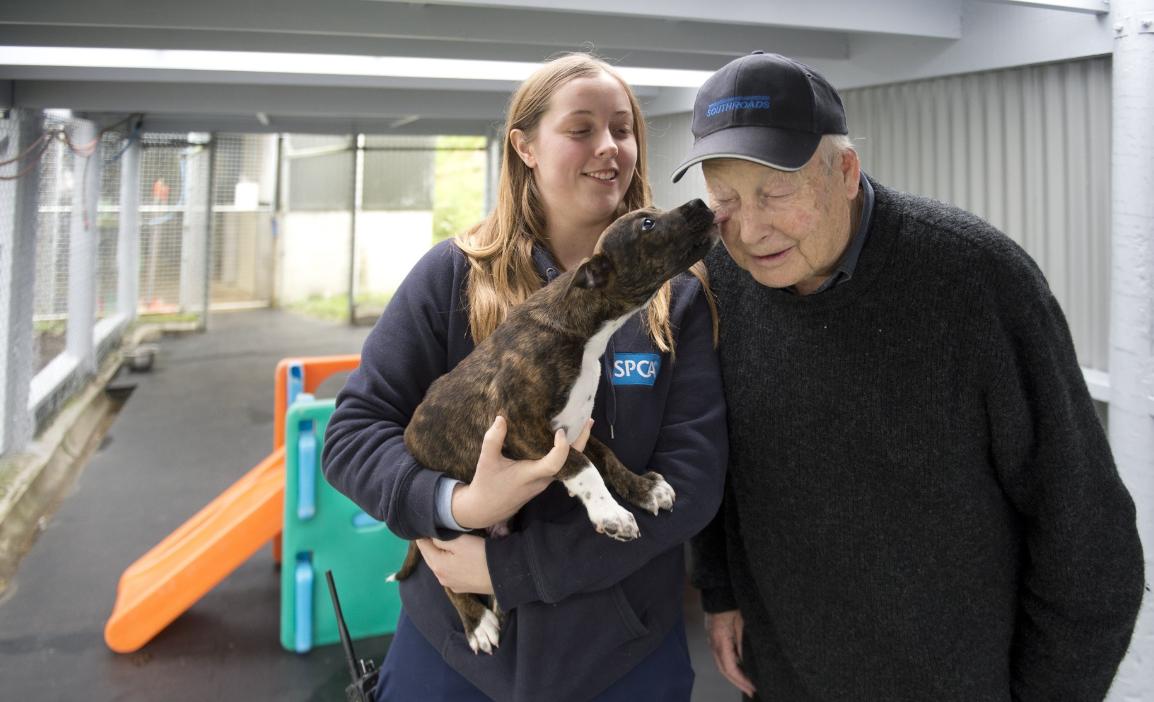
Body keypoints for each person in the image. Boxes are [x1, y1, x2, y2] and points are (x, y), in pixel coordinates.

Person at [673, 51, 1145, 701]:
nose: (750, 230)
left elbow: (1089, 538)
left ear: (844, 171)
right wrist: (721, 589)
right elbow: (717, 458)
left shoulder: (976, 281)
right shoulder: (717, 284)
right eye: (725, 199)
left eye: (775, 193)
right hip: (783, 676)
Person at [322, 53, 727, 702]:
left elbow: (693, 483)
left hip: (619, 654)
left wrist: (510, 568)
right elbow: (352, 437)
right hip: (452, 654)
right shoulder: (452, 276)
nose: (609, 147)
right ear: (525, 147)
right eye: (581, 129)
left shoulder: (676, 299)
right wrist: (456, 506)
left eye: (623, 129)